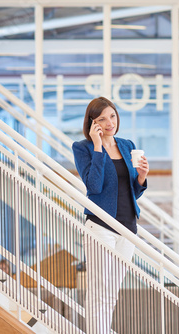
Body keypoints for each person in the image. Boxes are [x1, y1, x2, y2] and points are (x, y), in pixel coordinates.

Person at [72, 97, 149, 333]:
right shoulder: (82, 148)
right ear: (92, 123)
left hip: (128, 229)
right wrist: (97, 146)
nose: (109, 123)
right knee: (99, 292)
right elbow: (93, 186)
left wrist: (142, 177)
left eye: (112, 116)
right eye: (102, 119)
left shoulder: (127, 145)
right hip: (100, 228)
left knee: (112, 293)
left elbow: (132, 192)